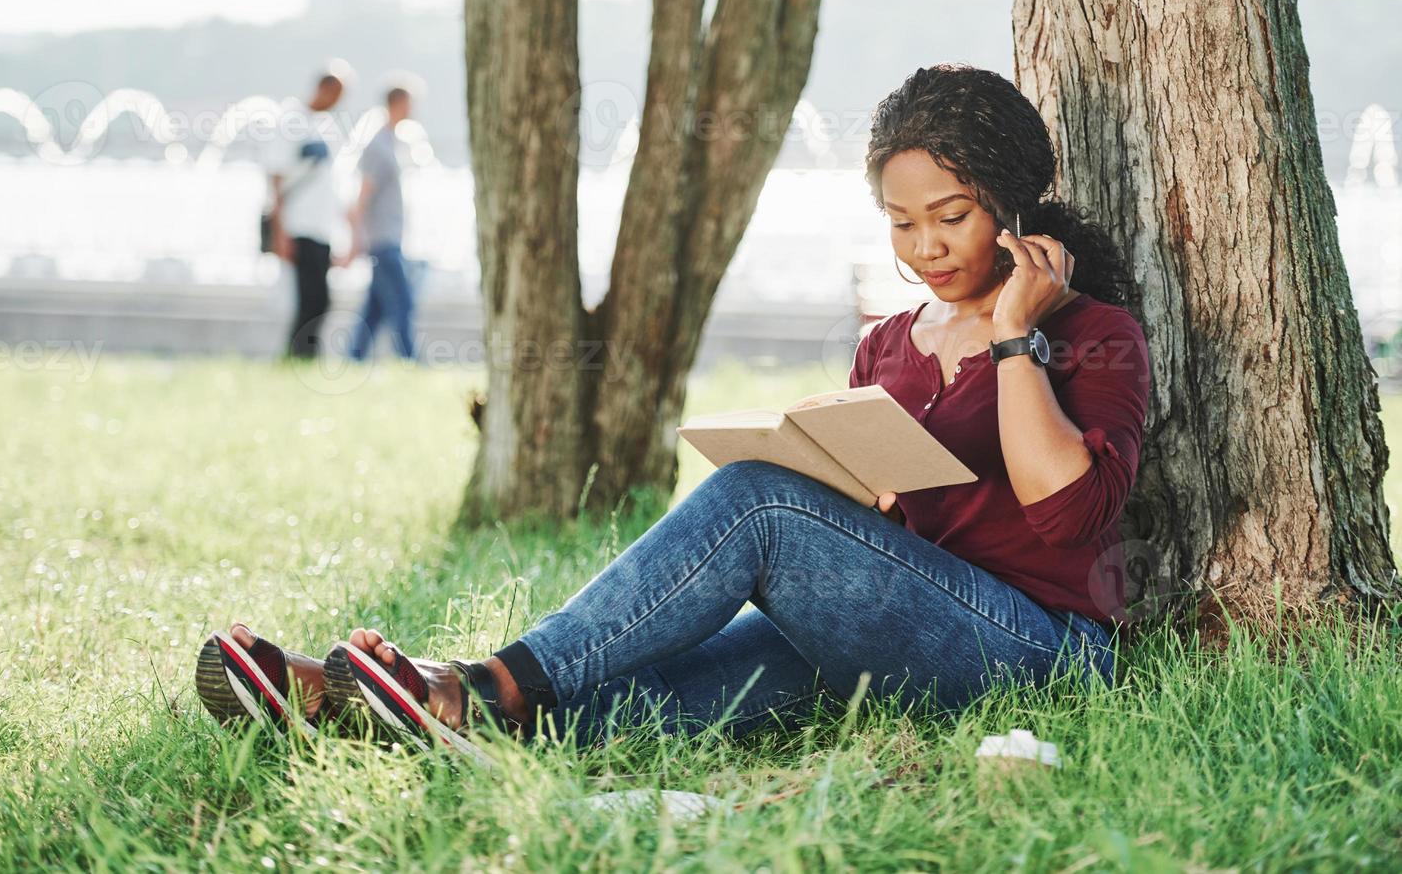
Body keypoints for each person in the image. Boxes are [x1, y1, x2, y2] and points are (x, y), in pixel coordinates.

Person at [199, 64, 1152, 749]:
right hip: (887, 632)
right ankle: (371, 709)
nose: (927, 246)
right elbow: (903, 521)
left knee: (756, 500)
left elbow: (1066, 513)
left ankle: (481, 682)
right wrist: (848, 484)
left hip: (1038, 651)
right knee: (655, 691)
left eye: (952, 216)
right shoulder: (890, 346)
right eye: (902, 223)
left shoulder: (1092, 332)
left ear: (1013, 206)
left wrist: (1017, 337)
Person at [263, 67, 348, 359]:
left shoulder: (328, 127)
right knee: (308, 298)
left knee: (321, 299)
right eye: (335, 93)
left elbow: (334, 187)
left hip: (322, 227)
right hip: (297, 226)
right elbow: (275, 178)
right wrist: (280, 232)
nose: (337, 101)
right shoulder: (292, 120)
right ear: (323, 88)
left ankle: (306, 353)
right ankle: (298, 354)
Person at [344, 85, 421, 361]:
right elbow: (360, 200)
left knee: (374, 309)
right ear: (398, 102)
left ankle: (353, 357)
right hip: (382, 241)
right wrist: (355, 243)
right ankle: (411, 359)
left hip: (387, 238)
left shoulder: (390, 141)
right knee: (403, 302)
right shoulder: (377, 145)